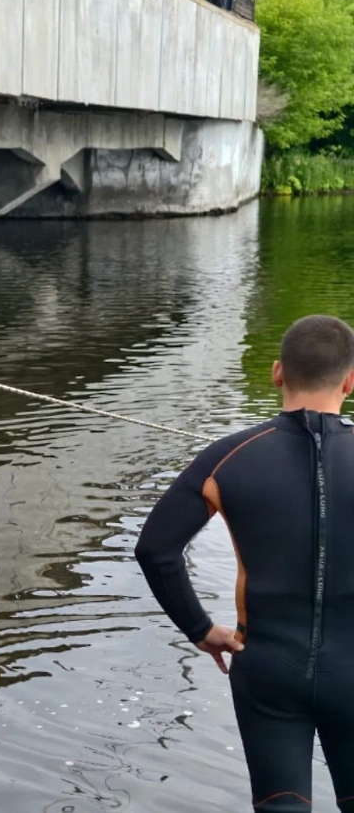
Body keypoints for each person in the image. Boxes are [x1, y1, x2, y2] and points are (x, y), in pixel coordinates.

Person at [136, 314, 354, 813]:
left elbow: (155, 549)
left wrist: (198, 627)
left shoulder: (227, 457)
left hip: (266, 664)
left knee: (282, 806)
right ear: (350, 382)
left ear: (278, 373)